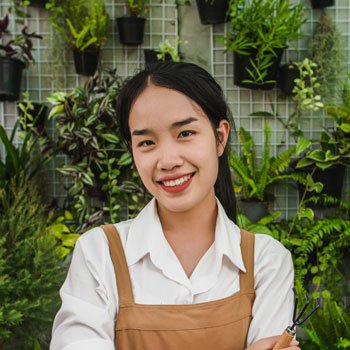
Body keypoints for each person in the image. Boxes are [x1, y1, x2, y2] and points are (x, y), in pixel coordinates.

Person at [50, 61, 298, 350]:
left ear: (220, 137)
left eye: (185, 134)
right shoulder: (99, 254)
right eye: (146, 143)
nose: (167, 161)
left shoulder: (267, 263)